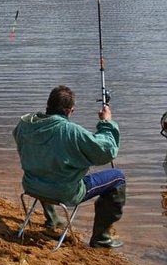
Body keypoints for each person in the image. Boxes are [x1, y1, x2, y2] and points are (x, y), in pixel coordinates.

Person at [12, 84, 126, 248]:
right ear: (70, 110)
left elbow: (22, 142)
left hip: (32, 185)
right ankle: (101, 238)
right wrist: (106, 122)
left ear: (47, 106)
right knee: (118, 177)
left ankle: (53, 219)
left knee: (46, 164)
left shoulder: (25, 124)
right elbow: (107, 152)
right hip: (66, 193)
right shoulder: (71, 130)